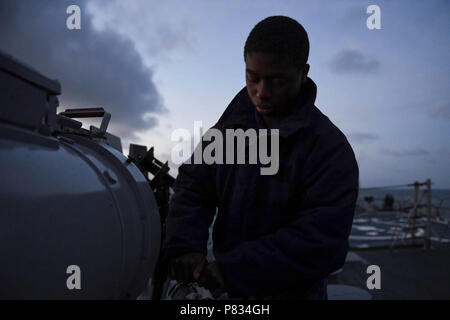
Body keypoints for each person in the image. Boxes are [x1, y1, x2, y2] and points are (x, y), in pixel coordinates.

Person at [164, 16, 359, 299]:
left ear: (303, 73)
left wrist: (235, 271)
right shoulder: (227, 130)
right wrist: (185, 245)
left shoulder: (330, 150)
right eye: (252, 78)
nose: (261, 93)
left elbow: (322, 242)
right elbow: (194, 184)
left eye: (277, 81)